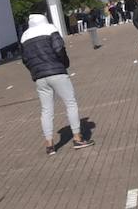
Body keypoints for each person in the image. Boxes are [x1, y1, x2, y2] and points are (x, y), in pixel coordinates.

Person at [19, 10, 93, 156]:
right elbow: (59, 49)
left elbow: (25, 59)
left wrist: (35, 71)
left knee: (46, 110)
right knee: (70, 103)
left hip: (39, 76)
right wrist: (64, 64)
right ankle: (77, 138)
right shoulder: (50, 29)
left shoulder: (24, 36)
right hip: (57, 72)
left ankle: (49, 144)